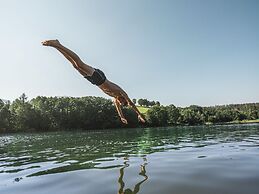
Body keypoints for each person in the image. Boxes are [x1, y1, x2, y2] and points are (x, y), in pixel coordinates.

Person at [42, 39, 145, 124]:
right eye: (123, 102)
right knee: (79, 64)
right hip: (100, 77)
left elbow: (119, 110)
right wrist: (139, 114)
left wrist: (122, 117)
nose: (121, 103)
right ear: (124, 100)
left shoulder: (114, 99)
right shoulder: (121, 92)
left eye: (121, 104)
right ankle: (58, 44)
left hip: (95, 82)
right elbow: (132, 104)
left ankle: (56, 47)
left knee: (75, 66)